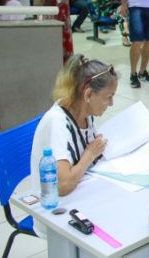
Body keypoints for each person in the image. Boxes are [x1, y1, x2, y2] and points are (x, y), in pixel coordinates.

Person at [30, 55, 116, 197]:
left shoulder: (85, 111)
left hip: (80, 191)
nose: (111, 103)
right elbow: (63, 186)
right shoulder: (58, 121)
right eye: (108, 97)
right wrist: (90, 154)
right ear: (88, 94)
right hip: (53, 203)